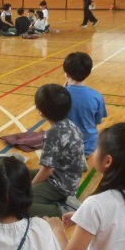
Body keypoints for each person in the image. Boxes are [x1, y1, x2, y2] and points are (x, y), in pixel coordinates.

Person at [31, 84, 86, 217]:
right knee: (21, 174)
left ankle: (64, 210)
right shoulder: (71, 124)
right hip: (68, 179)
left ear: (41, 112)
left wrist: (30, 187)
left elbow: (47, 170)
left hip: (60, 186)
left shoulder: (52, 134)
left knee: (22, 203)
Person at [63, 52, 107, 156]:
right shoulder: (97, 96)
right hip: (89, 146)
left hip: (67, 145)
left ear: (66, 74)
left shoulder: (60, 95)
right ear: (88, 73)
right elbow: (97, 121)